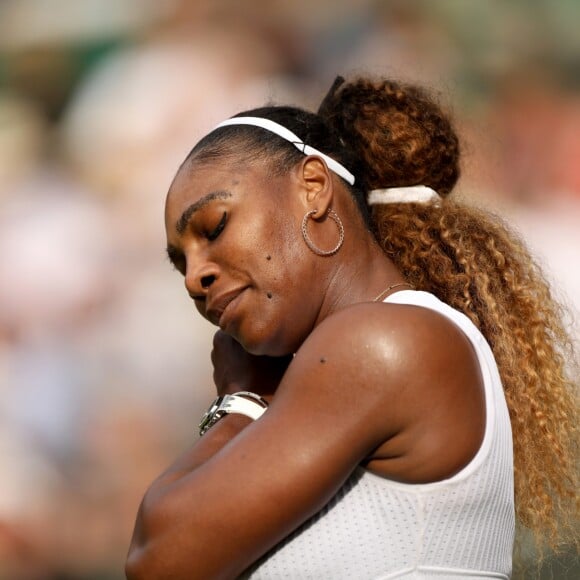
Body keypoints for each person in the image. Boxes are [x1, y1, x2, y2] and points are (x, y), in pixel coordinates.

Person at [125, 76, 578, 579]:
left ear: (313, 188)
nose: (194, 277)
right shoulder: (388, 338)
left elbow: (159, 559)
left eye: (214, 227)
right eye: (179, 262)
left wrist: (239, 400)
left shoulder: (376, 344)